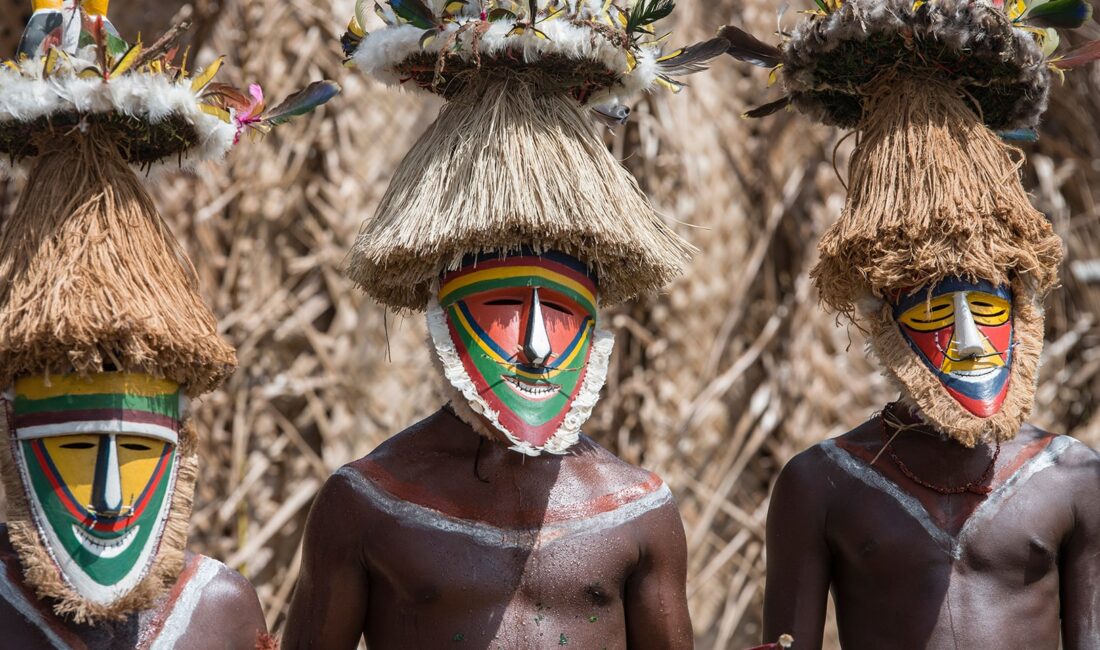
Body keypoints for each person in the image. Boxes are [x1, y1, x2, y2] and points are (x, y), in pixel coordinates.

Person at [285, 2, 728, 647]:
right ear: (444, 312)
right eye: (499, 311)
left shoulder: (636, 512)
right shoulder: (367, 505)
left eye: (561, 312)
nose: (537, 349)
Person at [720, 0, 1100, 647]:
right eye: (931, 312)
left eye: (987, 310)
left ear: (1023, 307)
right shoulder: (822, 484)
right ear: (880, 315)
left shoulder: (1071, 479)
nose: (973, 342)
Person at [0, 2, 333, 645]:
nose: (109, 500)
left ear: (181, 446)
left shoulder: (219, 611)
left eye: (140, 452)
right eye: (72, 447)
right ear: (13, 434)